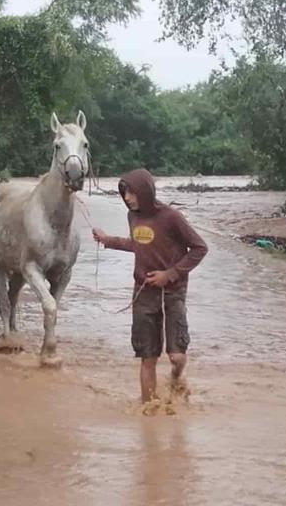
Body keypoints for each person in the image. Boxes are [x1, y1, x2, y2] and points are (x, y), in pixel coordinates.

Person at [92, 169, 208, 407]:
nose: (127, 198)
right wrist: (107, 240)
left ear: (146, 192)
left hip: (172, 293)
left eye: (132, 193)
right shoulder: (132, 216)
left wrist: (170, 274)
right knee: (148, 357)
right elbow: (137, 244)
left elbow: (200, 248)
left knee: (176, 356)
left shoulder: (171, 217)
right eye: (124, 193)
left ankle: (176, 378)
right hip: (143, 294)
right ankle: (149, 412)